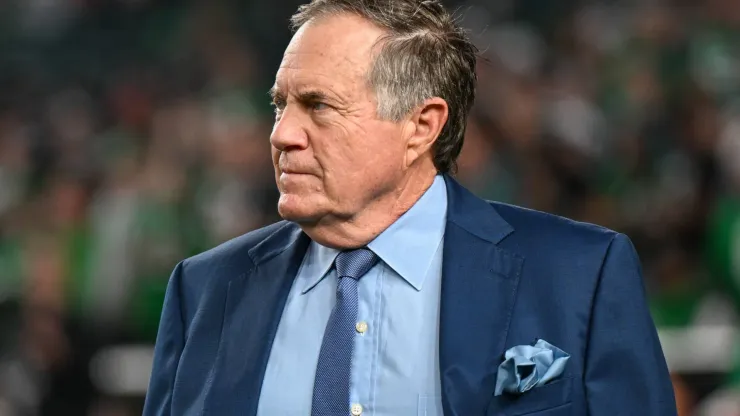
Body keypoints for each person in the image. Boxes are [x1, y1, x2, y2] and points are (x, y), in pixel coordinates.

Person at [143, 1, 677, 415]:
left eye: (318, 106)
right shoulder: (204, 290)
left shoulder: (580, 275)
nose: (282, 134)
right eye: (280, 104)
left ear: (421, 126)